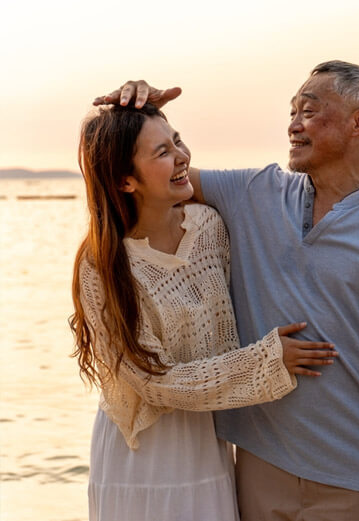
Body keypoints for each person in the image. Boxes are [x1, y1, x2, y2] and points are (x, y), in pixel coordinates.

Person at [96, 60, 359, 521]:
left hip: (355, 476)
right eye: (292, 111)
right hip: (255, 467)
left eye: (309, 111)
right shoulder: (254, 190)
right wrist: (135, 118)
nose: (293, 125)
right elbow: (146, 180)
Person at [70, 103, 338, 521]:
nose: (182, 156)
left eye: (177, 140)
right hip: (141, 452)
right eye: (162, 152)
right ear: (125, 180)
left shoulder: (210, 228)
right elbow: (153, 383)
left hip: (207, 440)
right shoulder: (102, 265)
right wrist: (266, 361)